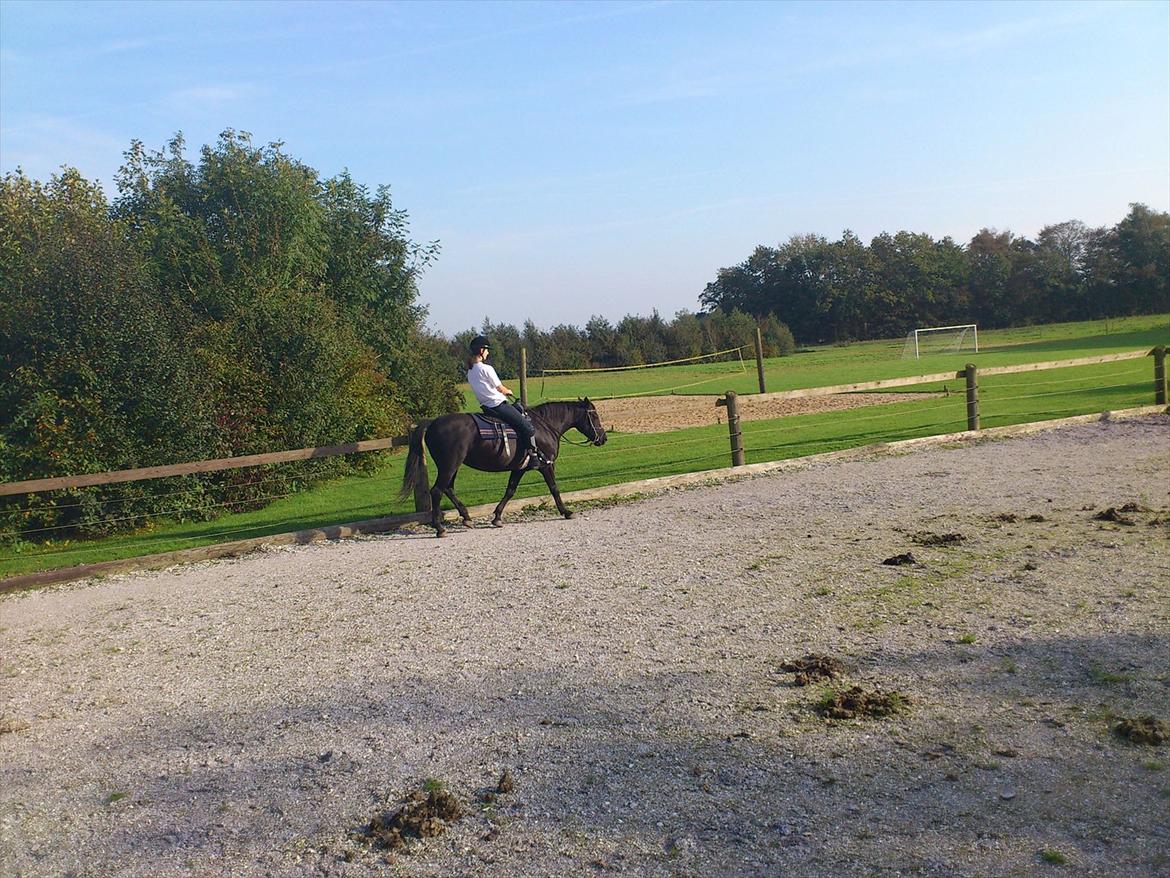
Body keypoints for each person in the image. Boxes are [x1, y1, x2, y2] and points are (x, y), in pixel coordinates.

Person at [466, 336, 551, 468]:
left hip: (486, 407)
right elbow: (500, 388)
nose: (488, 353)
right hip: (498, 405)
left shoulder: (470, 372)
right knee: (528, 427)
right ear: (481, 350)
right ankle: (533, 456)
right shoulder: (486, 369)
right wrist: (508, 391)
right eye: (487, 350)